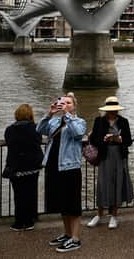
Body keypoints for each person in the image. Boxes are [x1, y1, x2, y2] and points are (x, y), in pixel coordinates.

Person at [37, 93, 86, 253]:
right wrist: (50, 113)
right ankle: (67, 234)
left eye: (68, 103)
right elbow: (40, 129)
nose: (64, 105)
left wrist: (67, 115)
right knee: (62, 204)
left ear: (74, 106)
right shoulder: (55, 121)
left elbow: (77, 133)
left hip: (70, 168)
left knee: (73, 204)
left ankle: (76, 239)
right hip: (54, 166)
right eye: (62, 102)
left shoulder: (79, 121)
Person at [87, 96, 133, 230]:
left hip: (119, 156)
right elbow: (95, 140)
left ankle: (114, 215)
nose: (113, 112)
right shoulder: (99, 121)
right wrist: (104, 139)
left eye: (115, 110)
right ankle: (99, 214)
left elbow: (129, 141)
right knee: (102, 183)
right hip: (105, 156)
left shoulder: (124, 122)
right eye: (111, 110)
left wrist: (119, 139)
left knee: (117, 183)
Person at [4, 104, 43, 231]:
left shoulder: (10, 129)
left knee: (19, 194)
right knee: (31, 193)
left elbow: (9, 143)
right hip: (32, 166)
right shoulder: (36, 128)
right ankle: (30, 219)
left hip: (16, 167)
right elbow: (38, 141)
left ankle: (19, 222)